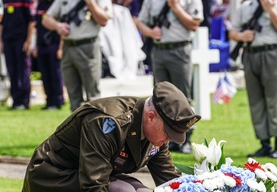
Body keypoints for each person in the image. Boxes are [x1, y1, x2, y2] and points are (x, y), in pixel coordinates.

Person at [22, 81, 201, 192]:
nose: (169, 139)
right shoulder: (107, 123)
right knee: (122, 190)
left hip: (86, 175)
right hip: (53, 175)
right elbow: (94, 185)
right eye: (168, 132)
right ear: (151, 116)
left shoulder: (155, 133)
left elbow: (170, 182)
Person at [229, 0, 277, 159]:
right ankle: (264, 142)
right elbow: (233, 31)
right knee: (256, 101)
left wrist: (270, 10)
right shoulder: (247, 5)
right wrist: (242, 35)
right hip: (251, 54)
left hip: (272, 53)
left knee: (276, 99)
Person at [136, 0, 203, 153]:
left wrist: (175, 6)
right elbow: (140, 20)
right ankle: (162, 137)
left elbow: (194, 23)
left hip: (180, 48)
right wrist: (149, 32)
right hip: (159, 50)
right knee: (160, 97)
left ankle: (186, 138)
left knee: (183, 94)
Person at [42, 0, 113, 112]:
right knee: (73, 95)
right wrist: (58, 26)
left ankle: (94, 130)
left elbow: (103, 21)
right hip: (68, 47)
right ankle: (76, 131)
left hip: (88, 47)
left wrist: (90, 2)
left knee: (93, 95)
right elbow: (46, 19)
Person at [0, 0, 36, 110]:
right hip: (8, 40)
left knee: (23, 71)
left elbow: (31, 22)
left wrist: (28, 42)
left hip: (21, 41)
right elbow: (2, 22)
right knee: (12, 71)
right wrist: (1, 41)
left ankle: (24, 101)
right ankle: (15, 101)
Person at [33, 0, 64, 110]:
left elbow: (63, 27)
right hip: (42, 44)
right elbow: (37, 26)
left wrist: (61, 47)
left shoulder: (58, 4)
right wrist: (36, 46)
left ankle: (57, 101)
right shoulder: (40, 4)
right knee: (45, 74)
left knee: (55, 74)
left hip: (54, 44)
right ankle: (49, 100)